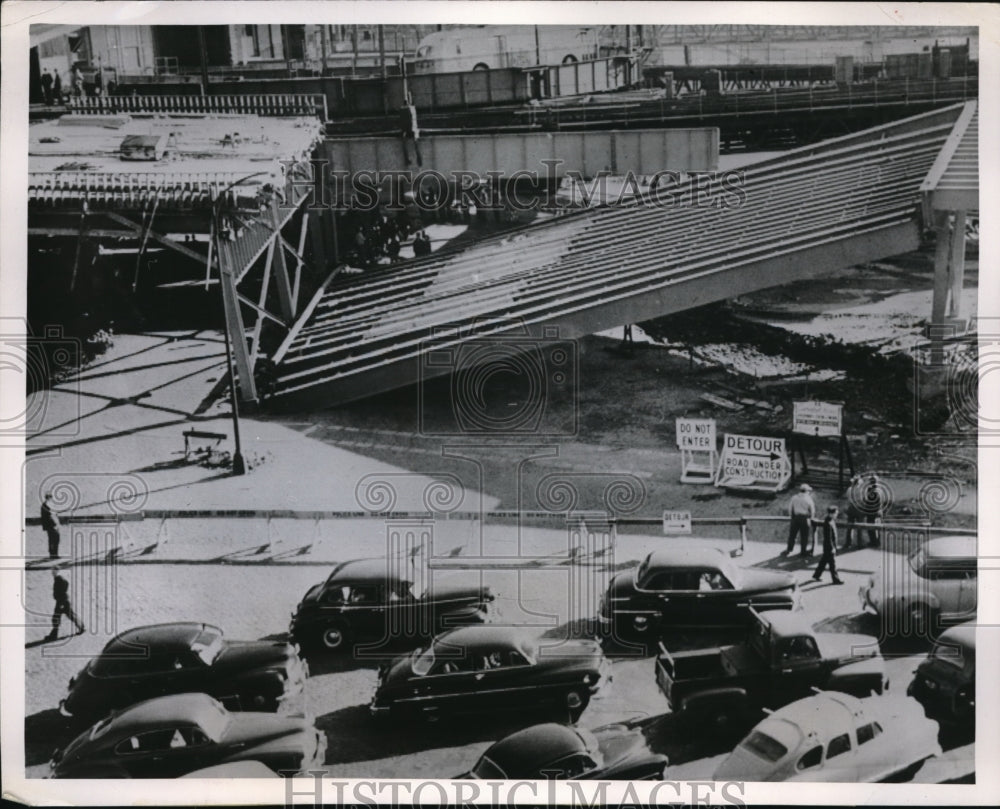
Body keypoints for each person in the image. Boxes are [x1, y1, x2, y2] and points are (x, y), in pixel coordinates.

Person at [45, 566, 85, 641]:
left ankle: (53, 635)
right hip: (63, 601)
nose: (52, 573)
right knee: (69, 615)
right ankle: (81, 627)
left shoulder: (60, 579)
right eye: (52, 571)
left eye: (54, 571)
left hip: (62, 602)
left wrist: (61, 603)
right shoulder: (58, 579)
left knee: (57, 617)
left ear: (57, 571)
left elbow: (64, 587)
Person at [812, 506, 844, 584]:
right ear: (831, 514)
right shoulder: (828, 523)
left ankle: (816, 575)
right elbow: (828, 538)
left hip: (828, 546)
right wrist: (832, 547)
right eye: (835, 513)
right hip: (829, 547)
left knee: (823, 562)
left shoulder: (831, 521)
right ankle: (836, 580)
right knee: (832, 565)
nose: (836, 515)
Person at [785, 483, 816, 556]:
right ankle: (803, 551)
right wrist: (811, 518)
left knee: (792, 535)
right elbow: (812, 510)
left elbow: (790, 508)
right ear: (807, 491)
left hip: (795, 517)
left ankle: (789, 549)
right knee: (804, 536)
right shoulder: (808, 499)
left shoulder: (794, 497)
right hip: (804, 518)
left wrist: (792, 517)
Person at [861, 474, 884, 548]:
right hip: (878, 511)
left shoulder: (874, 491)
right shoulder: (878, 489)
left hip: (873, 512)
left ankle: (874, 542)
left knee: (872, 527)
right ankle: (876, 541)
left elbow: (871, 502)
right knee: (876, 527)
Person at [40, 492, 61, 559]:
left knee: (54, 539)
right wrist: (55, 525)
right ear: (48, 498)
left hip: (53, 525)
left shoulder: (48, 505)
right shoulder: (46, 505)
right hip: (51, 526)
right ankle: (53, 555)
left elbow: (54, 515)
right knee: (54, 539)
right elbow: (49, 516)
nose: (51, 498)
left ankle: (54, 554)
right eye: (50, 497)